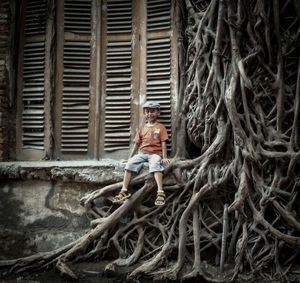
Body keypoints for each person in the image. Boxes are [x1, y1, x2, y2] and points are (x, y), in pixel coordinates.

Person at [113, 101, 170, 206]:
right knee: (129, 165)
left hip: (155, 154)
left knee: (155, 166)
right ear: (144, 114)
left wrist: (164, 157)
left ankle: (160, 192)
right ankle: (124, 190)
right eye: (147, 112)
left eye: (152, 111)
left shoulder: (161, 127)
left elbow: (163, 143)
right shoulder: (142, 128)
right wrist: (130, 158)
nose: (149, 114)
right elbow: (136, 144)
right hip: (142, 153)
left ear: (158, 113)